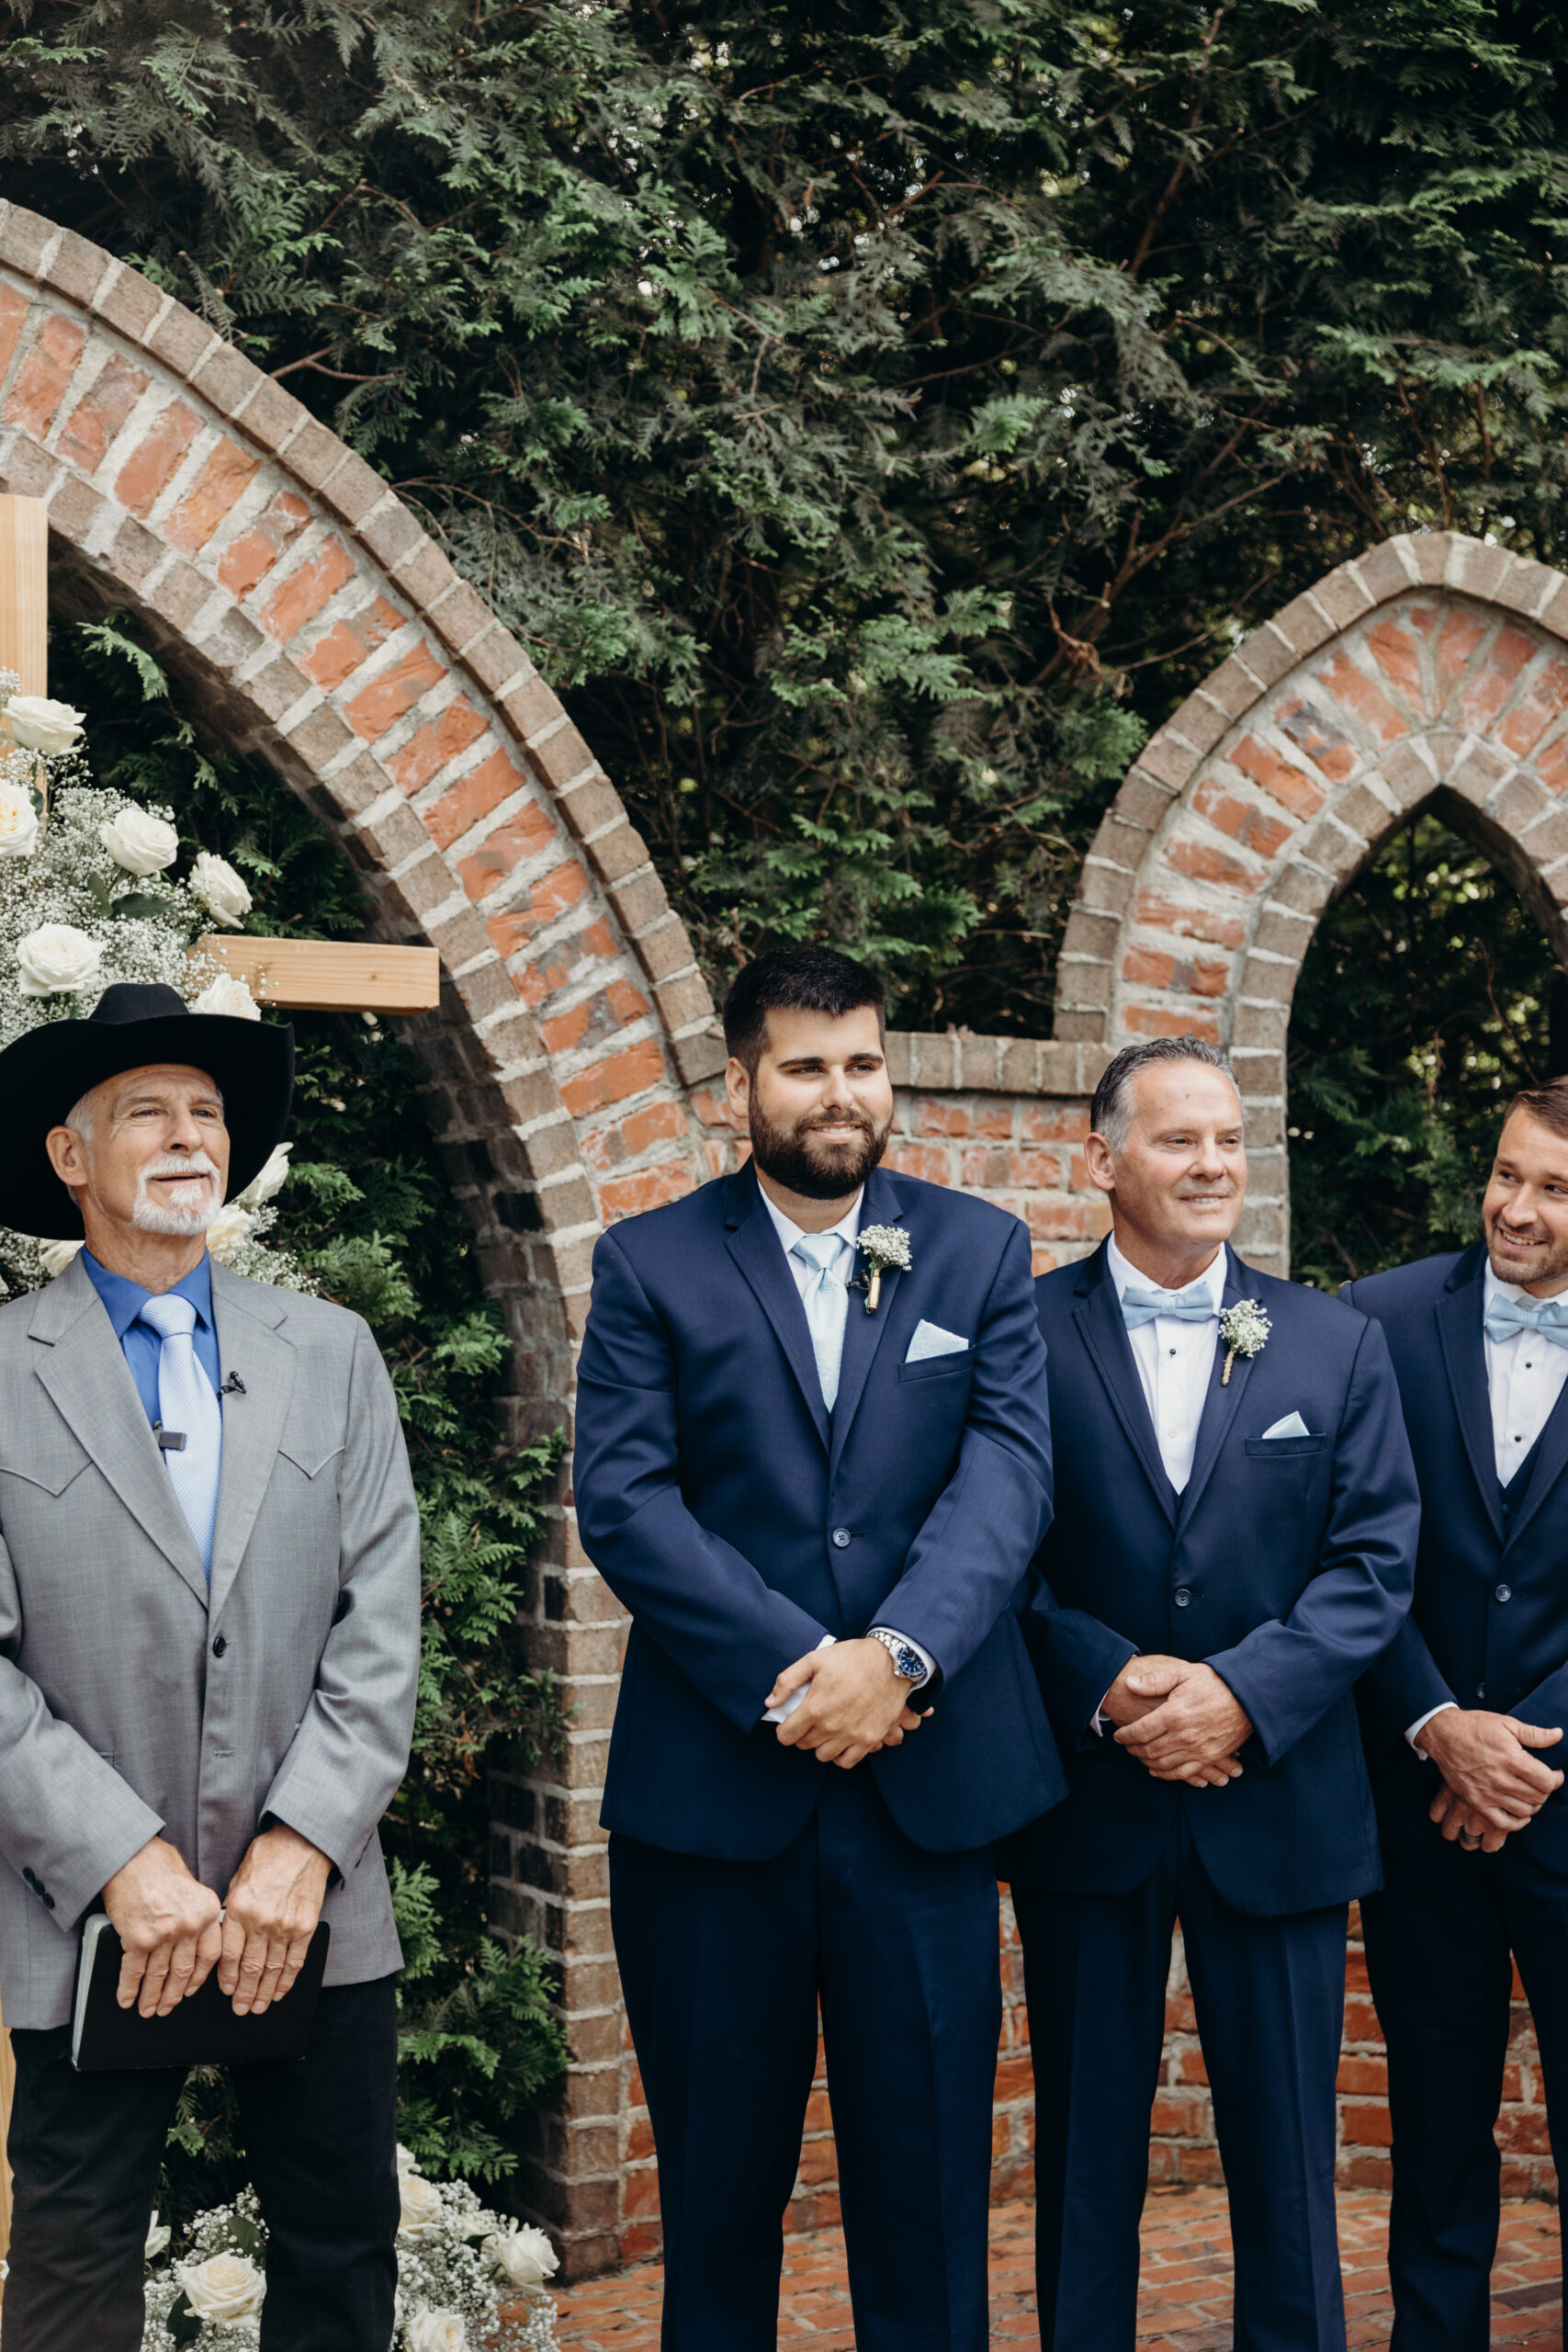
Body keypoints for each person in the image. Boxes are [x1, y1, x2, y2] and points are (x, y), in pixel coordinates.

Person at [572, 943, 1062, 2352]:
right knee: (718, 2201)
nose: (840, 1092)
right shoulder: (651, 1262)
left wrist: (897, 1656)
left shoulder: (979, 1250)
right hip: (717, 1802)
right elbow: (627, 1500)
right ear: (739, 1088)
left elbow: (1010, 1476)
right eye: (805, 1066)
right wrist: (808, 1673)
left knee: (932, 2199)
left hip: (926, 1797)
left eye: (862, 1063)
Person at [0, 982, 421, 2352]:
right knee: (69, 2269)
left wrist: (300, 1848)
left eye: (208, 1111)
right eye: (148, 1112)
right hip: (84, 1915)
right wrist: (123, 1861)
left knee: (341, 2253)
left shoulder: (335, 1355)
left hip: (315, 1905)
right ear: (69, 1156)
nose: (190, 1136)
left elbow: (380, 1624)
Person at [999, 1032, 1419, 2352]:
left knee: (1292, 2162)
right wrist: (1107, 1680)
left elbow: (1374, 1561)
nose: (1213, 1164)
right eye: (1179, 1139)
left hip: (1278, 1802)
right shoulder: (1024, 1335)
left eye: (1231, 1140)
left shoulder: (1335, 1343)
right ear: (1102, 1159)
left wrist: (1241, 1694)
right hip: (1092, 1802)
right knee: (1082, 2155)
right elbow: (988, 1551)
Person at [1343, 1079, 1568, 2350]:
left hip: (1561, 1793)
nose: (1515, 1208)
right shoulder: (1378, 1320)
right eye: (1506, 1173)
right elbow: (1341, 1549)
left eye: (1555, 1188)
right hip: (1421, 1803)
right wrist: (1437, 1722)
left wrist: (1523, 1752)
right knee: (1433, 2127)